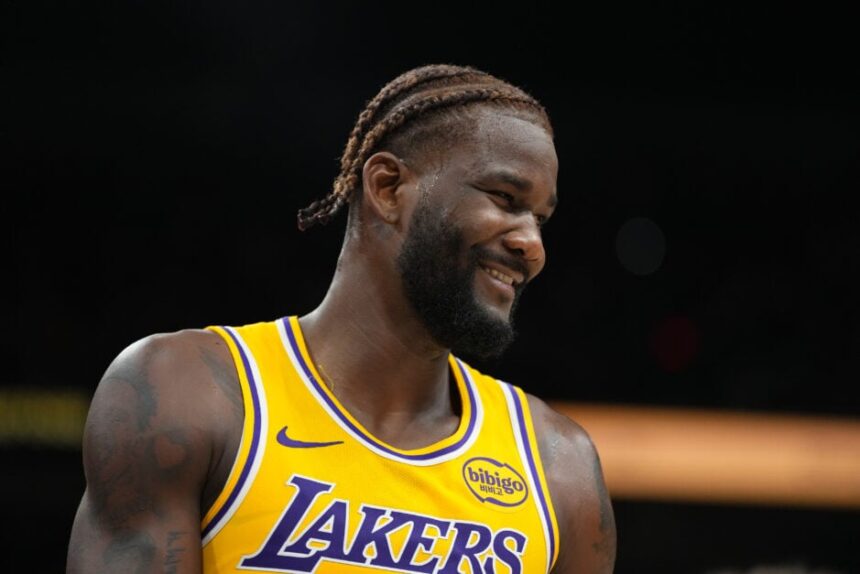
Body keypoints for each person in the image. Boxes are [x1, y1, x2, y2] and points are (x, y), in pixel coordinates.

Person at [67, 63, 616, 573]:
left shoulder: (558, 469)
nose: (532, 245)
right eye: (504, 198)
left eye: (541, 219)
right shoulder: (188, 393)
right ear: (387, 188)